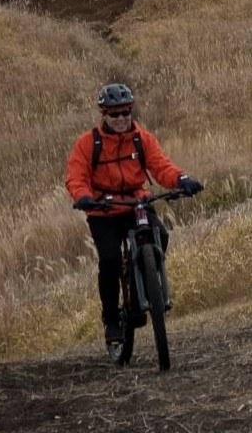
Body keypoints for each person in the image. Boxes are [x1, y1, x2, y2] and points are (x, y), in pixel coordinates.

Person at [66, 82, 202, 344]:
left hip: (136, 202)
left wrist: (182, 179)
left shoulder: (142, 138)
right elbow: (76, 176)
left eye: (126, 112)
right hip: (103, 210)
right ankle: (112, 318)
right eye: (115, 114)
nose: (121, 119)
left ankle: (148, 284)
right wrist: (82, 196)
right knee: (110, 260)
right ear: (103, 115)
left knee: (160, 236)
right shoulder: (87, 143)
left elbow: (161, 166)